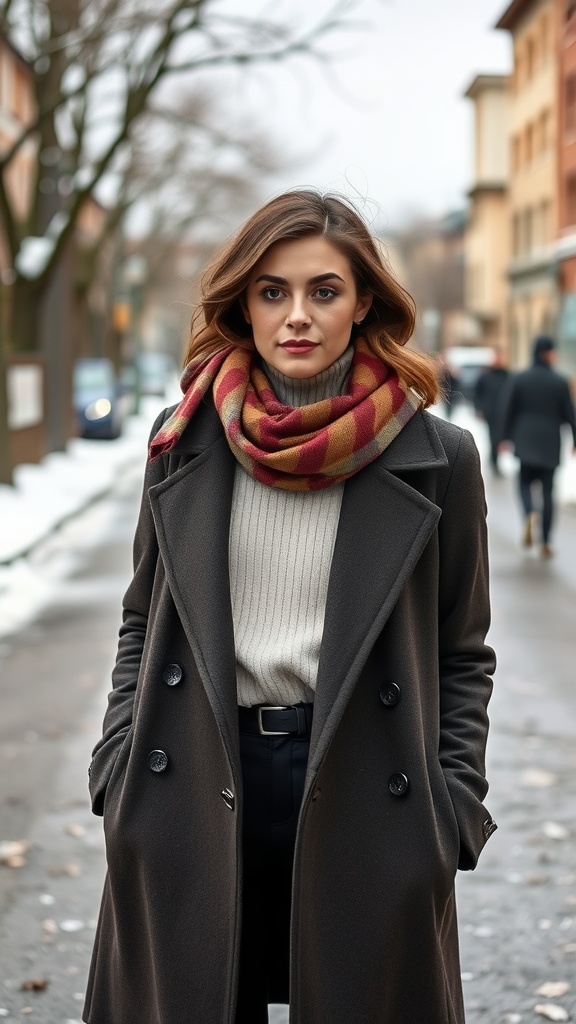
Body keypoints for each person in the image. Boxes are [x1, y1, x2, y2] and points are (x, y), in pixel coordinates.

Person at [83, 190, 497, 1024]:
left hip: (362, 788)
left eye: (324, 291)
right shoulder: (182, 439)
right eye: (272, 291)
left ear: (364, 301)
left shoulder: (438, 456)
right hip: (195, 782)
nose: (297, 315)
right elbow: (143, 617)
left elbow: (463, 652)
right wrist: (117, 770)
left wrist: (450, 812)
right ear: (243, 301)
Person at [500, 335, 576, 558]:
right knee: (548, 491)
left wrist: (504, 437)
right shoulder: (560, 381)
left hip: (525, 440)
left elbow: (507, 408)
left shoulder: (520, 379)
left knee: (524, 483)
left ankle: (530, 514)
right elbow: (570, 414)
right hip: (550, 443)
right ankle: (546, 541)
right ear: (547, 353)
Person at [473, 349, 510, 475]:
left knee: (501, 437)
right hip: (490, 412)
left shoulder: (507, 376)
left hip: (505, 413)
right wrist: (478, 408)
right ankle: (495, 462)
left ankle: (495, 459)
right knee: (494, 437)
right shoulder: (486, 376)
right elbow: (478, 393)